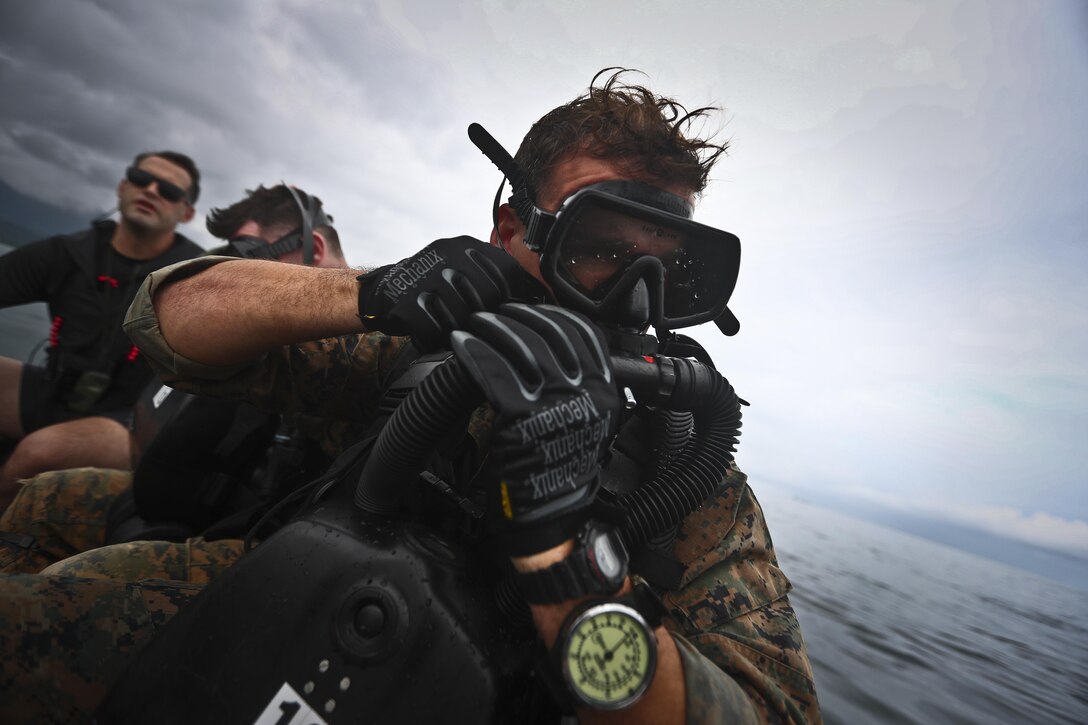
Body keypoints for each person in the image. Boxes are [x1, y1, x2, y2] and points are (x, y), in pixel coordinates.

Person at [0, 70, 821, 724]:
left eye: (670, 271)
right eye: (599, 246)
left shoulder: (694, 477)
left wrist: (569, 564)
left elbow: (775, 707)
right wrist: (372, 291)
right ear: (511, 228)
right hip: (273, 602)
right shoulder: (424, 340)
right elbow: (164, 319)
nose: (632, 296)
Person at [0, 183, 351, 575]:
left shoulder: (365, 343)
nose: (232, 274)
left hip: (283, 560)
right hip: (204, 506)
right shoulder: (249, 339)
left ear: (314, 250)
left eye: (244, 256)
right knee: (42, 499)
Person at [0, 151, 204, 507]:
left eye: (169, 190)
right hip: (53, 392)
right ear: (123, 186)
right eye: (141, 179)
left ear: (186, 212)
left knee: (38, 453)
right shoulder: (68, 252)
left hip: (129, 422)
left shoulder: (192, 278)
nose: (151, 190)